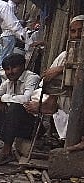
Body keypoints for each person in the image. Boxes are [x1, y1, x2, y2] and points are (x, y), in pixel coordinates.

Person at [29, 15, 84, 145]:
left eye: (81, 31)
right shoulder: (66, 54)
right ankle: (51, 101)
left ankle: (51, 102)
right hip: (66, 97)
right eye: (73, 31)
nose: (77, 35)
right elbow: (47, 78)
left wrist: (61, 69)